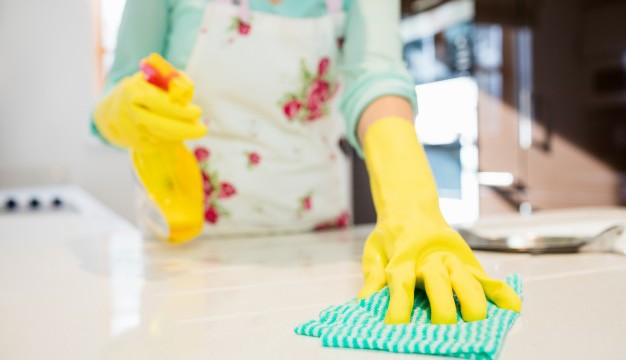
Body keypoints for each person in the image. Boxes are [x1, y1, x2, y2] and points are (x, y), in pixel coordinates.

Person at [94, 0, 521, 325]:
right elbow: (114, 94)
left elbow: (375, 75)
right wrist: (120, 110)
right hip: (184, 257)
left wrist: (413, 209)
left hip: (319, 245)